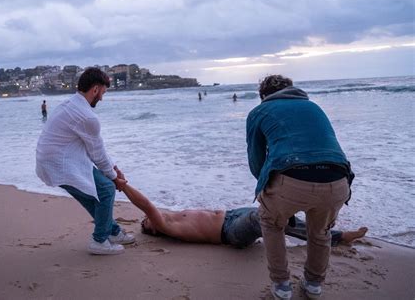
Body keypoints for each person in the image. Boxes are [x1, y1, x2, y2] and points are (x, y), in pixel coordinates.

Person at [246, 74, 354, 299]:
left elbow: (256, 160)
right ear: (292, 89)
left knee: (271, 223)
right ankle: (314, 284)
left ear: (263, 95)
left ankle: (282, 286)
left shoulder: (259, 112)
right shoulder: (314, 107)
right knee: (320, 232)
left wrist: (266, 187)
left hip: (292, 179)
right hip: (338, 180)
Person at [36, 67, 135, 255]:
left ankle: (112, 231)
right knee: (105, 190)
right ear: (95, 89)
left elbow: (95, 150)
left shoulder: (70, 104)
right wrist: (114, 178)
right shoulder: (87, 116)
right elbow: (97, 153)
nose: (102, 98)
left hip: (50, 161)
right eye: (103, 93)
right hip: (59, 163)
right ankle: (99, 241)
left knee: (94, 195)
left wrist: (114, 170)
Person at [121, 184, 366, 247]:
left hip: (233, 215)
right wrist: (122, 184)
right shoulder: (166, 226)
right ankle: (337, 236)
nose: (146, 218)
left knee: (279, 216)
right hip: (231, 233)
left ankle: (325, 230)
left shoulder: (173, 215)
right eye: (146, 222)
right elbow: (146, 205)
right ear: (155, 229)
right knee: (267, 216)